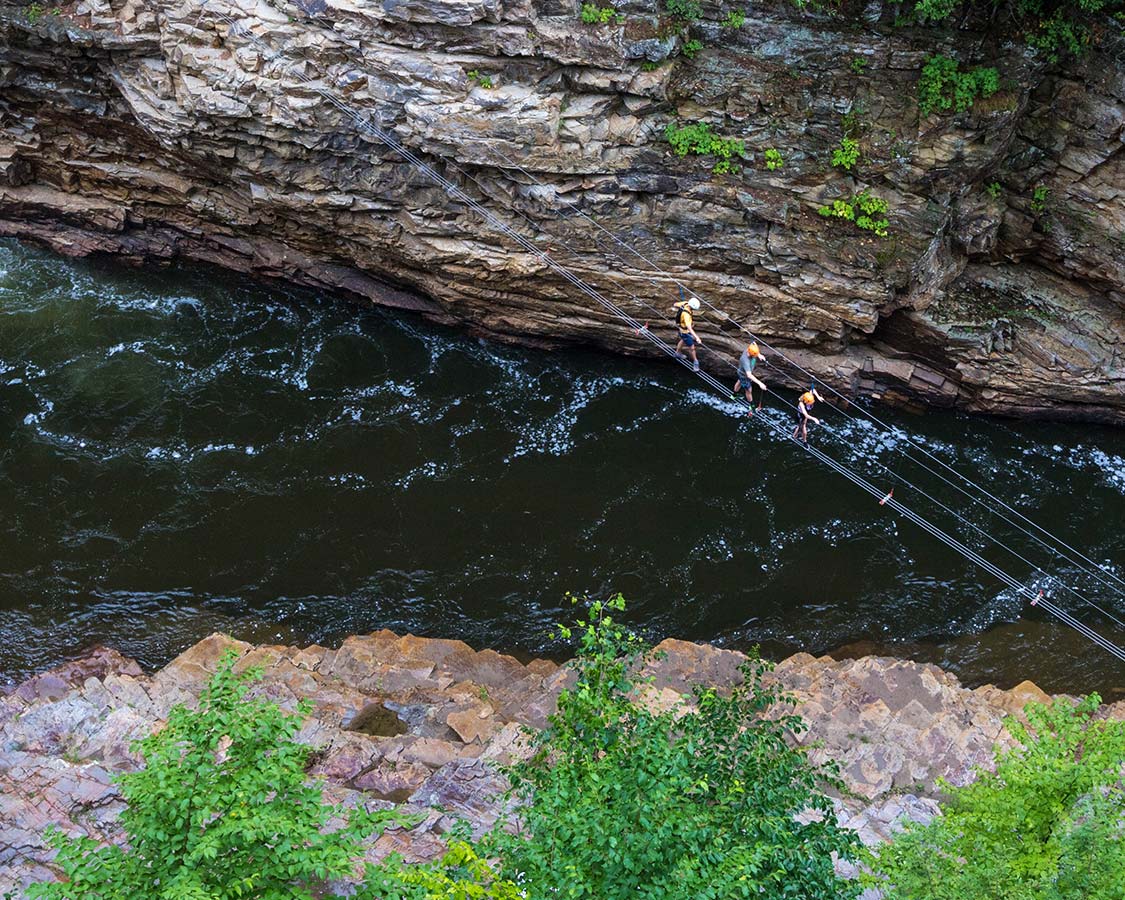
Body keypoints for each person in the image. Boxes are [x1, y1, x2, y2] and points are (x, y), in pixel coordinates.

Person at [731, 342, 767, 416]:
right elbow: (749, 375)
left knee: (739, 382)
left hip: (741, 373)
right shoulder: (745, 360)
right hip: (745, 376)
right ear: (751, 354)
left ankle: (734, 395)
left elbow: (754, 343)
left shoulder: (750, 349)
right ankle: (752, 405)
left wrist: (759, 355)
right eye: (755, 355)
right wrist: (760, 383)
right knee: (749, 390)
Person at [672, 296, 702, 372]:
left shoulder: (685, 303)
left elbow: (675, 304)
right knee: (692, 348)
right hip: (685, 332)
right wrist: (697, 337)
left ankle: (677, 353)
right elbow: (689, 328)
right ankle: (695, 362)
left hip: (681, 329)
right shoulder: (686, 315)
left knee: (683, 340)